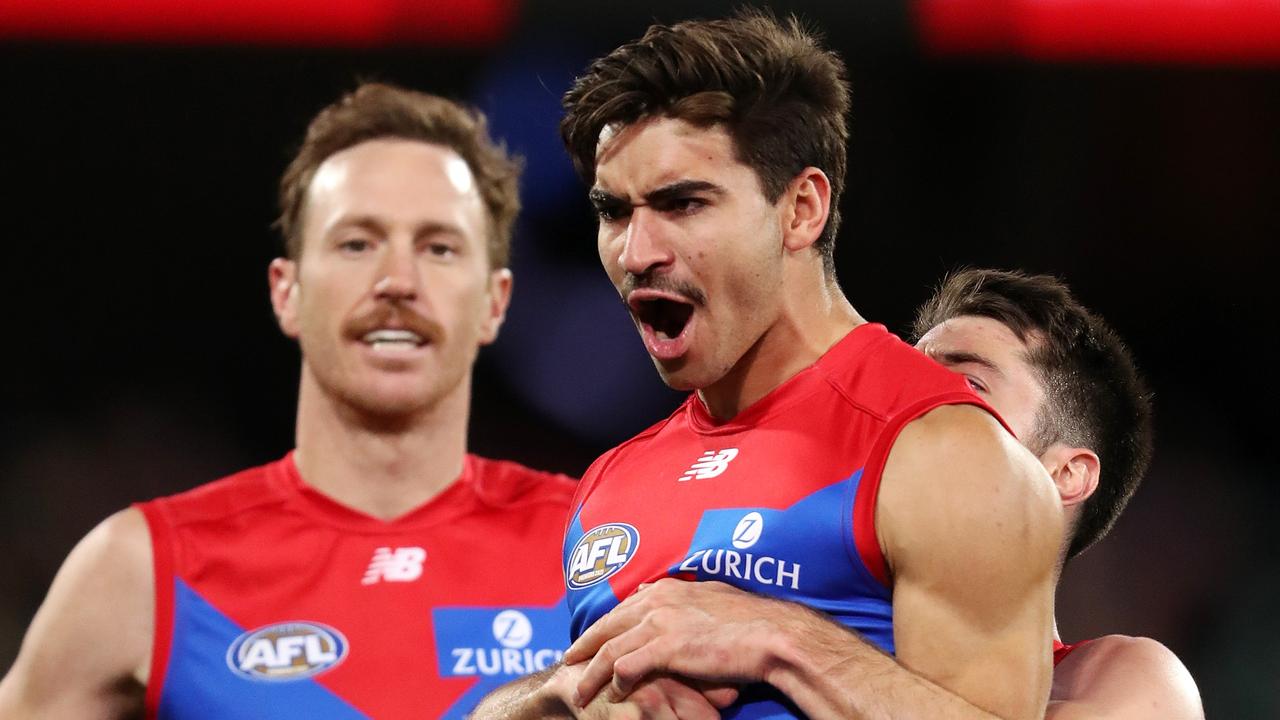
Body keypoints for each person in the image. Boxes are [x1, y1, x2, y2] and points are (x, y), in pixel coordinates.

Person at [474, 11, 1063, 719]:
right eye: (614, 212)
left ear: (802, 209)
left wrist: (779, 638)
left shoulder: (948, 455)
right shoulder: (612, 481)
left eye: (682, 202)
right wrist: (560, 698)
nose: (635, 253)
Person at [0, 83, 575, 719]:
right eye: (357, 243)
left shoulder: (590, 547)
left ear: (495, 301)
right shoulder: (144, 567)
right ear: (287, 291)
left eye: (438, 247)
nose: (397, 282)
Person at [557, 269, 1204, 719]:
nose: (917, 410)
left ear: (1065, 477)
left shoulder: (1121, 679)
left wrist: (782, 640)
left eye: (965, 390)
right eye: (909, 380)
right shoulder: (712, 613)